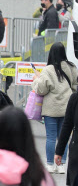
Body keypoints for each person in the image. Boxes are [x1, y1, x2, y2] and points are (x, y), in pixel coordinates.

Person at [32, 41, 77, 173]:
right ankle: (62, 164)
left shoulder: (48, 70)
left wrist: (36, 80)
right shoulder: (72, 67)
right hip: (67, 107)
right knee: (64, 136)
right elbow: (75, 86)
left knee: (51, 137)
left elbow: (41, 90)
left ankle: (51, 164)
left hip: (51, 109)